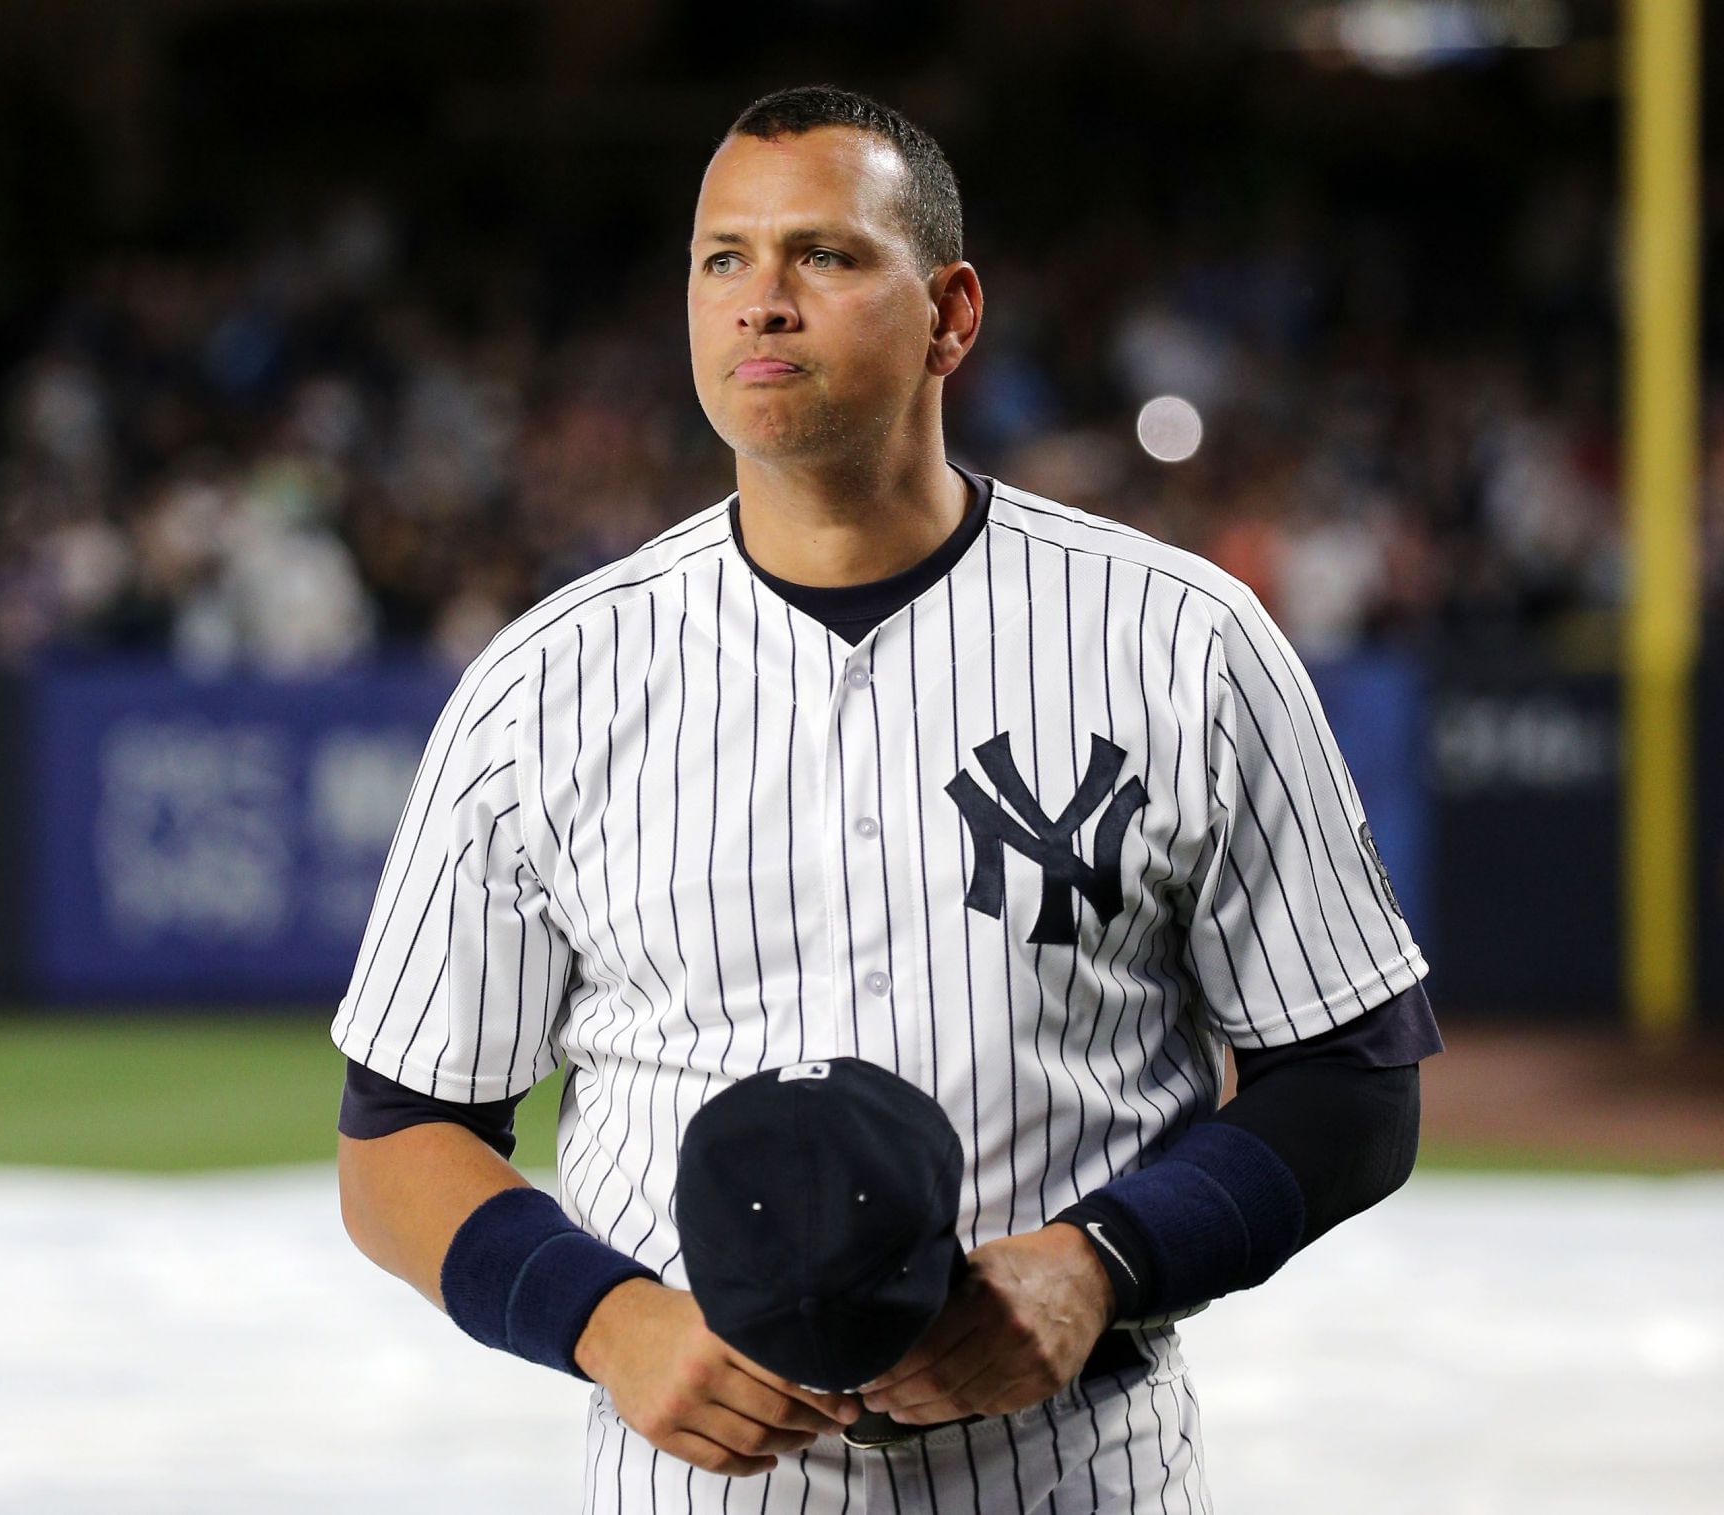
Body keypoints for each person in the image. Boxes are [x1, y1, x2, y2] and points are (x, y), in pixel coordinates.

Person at [332, 84, 1442, 1513]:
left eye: (826, 255)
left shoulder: (1180, 638)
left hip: (1077, 1474)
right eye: (722, 258)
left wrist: (1105, 1262)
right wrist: (607, 1321)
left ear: (952, 313)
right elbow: (398, 1137)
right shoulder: (547, 685)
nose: (761, 302)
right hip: (698, 1489)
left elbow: (1352, 1078)